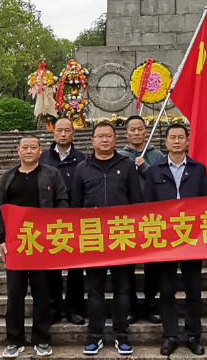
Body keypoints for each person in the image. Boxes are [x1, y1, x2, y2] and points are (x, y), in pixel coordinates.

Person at [71, 122, 143, 356]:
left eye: (109, 136)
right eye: (100, 136)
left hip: (122, 236)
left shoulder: (127, 165)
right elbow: (76, 205)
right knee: (95, 291)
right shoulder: (82, 168)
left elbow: (136, 201)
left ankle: (122, 335)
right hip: (93, 238)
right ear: (92, 140)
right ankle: (95, 336)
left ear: (115, 139)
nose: (104, 140)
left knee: (123, 290)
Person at [0, 136, 69, 358]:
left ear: (40, 150)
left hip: (42, 243)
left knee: (42, 293)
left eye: (33, 147)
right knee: (15, 293)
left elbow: (62, 202)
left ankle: (42, 338)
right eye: (24, 147)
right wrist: (0, 239)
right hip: (16, 244)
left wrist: (56, 231)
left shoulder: (51, 174)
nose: (28, 151)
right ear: (18, 150)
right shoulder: (9, 177)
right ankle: (14, 339)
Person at [143, 124, 207, 357]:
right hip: (165, 239)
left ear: (187, 141)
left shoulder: (199, 169)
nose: (177, 141)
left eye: (181, 137)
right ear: (166, 142)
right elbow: (148, 205)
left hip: (192, 238)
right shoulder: (154, 171)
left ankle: (193, 335)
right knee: (167, 290)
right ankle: (169, 335)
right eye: (172, 137)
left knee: (193, 291)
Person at [41, 117, 88, 326]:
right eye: (59, 130)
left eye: (67, 130)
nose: (63, 134)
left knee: (76, 268)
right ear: (53, 134)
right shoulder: (43, 158)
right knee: (51, 267)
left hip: (75, 220)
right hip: (49, 220)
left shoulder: (83, 159)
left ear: (73, 134)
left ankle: (73, 308)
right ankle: (53, 308)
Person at [118, 115, 164, 325]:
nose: (136, 133)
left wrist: (146, 168)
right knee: (126, 266)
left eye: (140, 129)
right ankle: (131, 305)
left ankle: (150, 304)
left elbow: (163, 181)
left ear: (146, 132)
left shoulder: (157, 155)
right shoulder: (120, 156)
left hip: (152, 217)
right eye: (132, 130)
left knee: (152, 266)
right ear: (126, 134)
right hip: (126, 218)